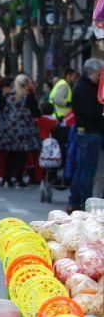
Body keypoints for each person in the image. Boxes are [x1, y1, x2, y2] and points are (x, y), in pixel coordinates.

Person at [69, 58, 104, 211]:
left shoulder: (84, 86)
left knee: (82, 168)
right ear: (93, 73)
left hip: (88, 132)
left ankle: (76, 200)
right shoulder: (85, 88)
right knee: (87, 170)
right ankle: (84, 201)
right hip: (90, 133)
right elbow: (90, 112)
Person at [0, 74, 40, 188]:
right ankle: (19, 179)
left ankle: (7, 178)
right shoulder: (28, 97)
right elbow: (37, 113)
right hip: (23, 129)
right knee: (21, 155)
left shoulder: (8, 96)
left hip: (9, 129)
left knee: (10, 154)